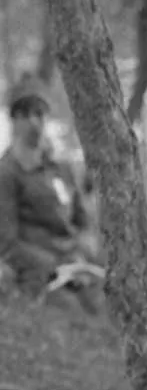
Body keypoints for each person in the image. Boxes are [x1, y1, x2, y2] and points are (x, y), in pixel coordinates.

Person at [0, 77, 100, 297]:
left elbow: (82, 220)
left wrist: (84, 247)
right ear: (14, 120)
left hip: (77, 264)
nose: (34, 122)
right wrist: (54, 266)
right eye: (25, 115)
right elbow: (6, 243)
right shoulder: (7, 172)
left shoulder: (62, 169)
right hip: (39, 274)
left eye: (39, 113)